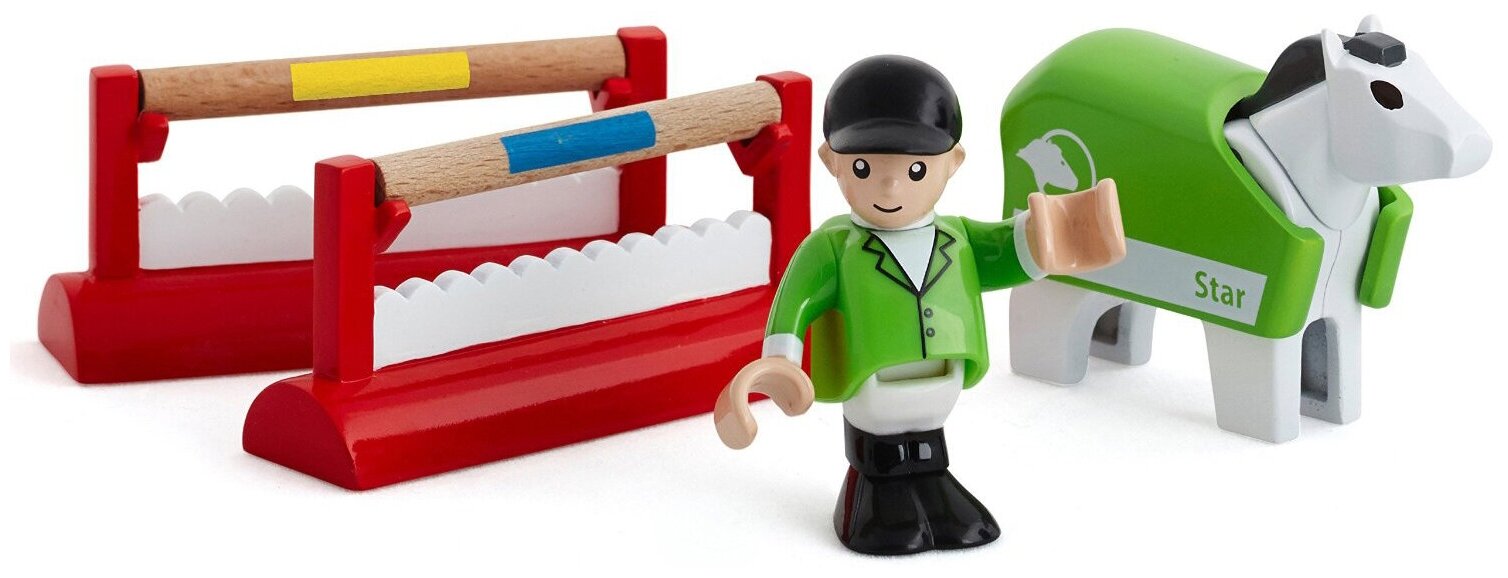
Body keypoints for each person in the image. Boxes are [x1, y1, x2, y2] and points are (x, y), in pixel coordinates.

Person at [713, 55, 1127, 555]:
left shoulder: (958, 239)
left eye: (915, 169)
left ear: (953, 163)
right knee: (882, 456)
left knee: (927, 450)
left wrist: (1056, 234)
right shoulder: (833, 249)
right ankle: (873, 501)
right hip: (873, 388)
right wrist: (781, 360)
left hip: (940, 380)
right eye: (864, 168)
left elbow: (1010, 248)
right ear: (832, 161)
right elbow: (795, 299)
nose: (890, 186)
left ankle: (934, 489)